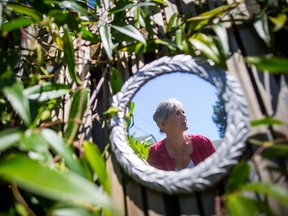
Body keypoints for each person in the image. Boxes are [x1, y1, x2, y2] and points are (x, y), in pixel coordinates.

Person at [147, 98, 216, 171]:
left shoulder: (203, 142)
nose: (184, 116)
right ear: (163, 124)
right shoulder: (155, 153)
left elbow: (220, 171)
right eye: (177, 113)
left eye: (183, 112)